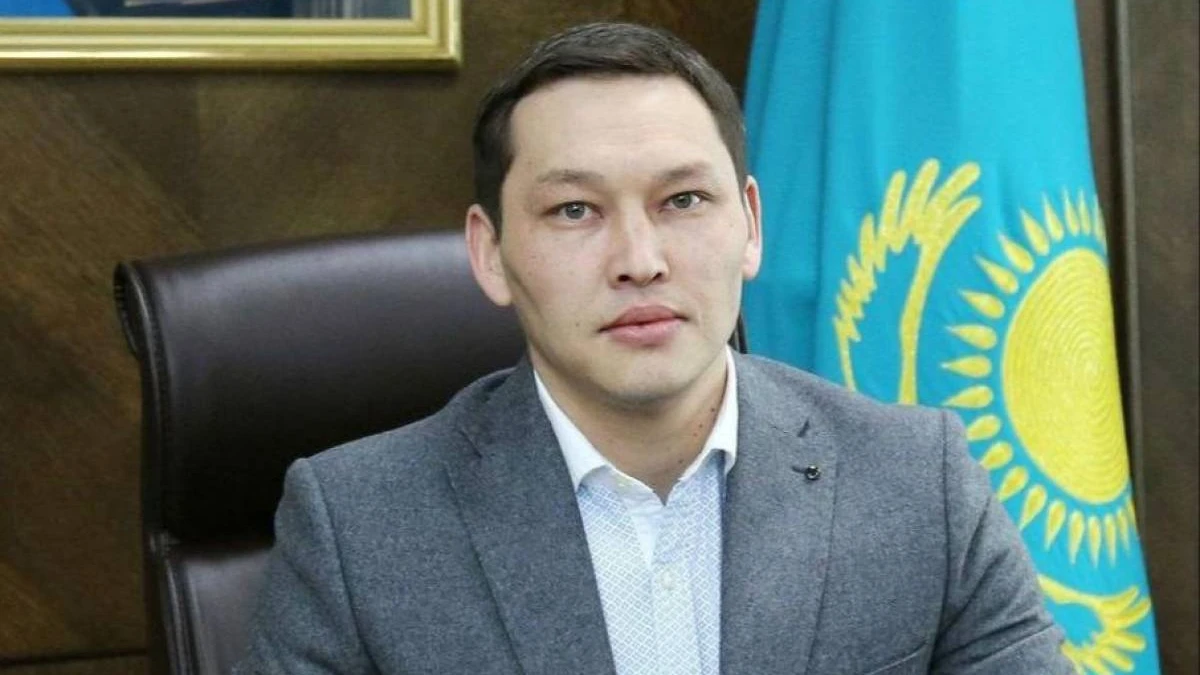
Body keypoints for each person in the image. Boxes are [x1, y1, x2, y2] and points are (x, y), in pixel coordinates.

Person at [235, 22, 1074, 675]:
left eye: (683, 200)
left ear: (750, 224)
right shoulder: (357, 526)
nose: (640, 259)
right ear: (490, 253)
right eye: (575, 211)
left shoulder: (918, 481)